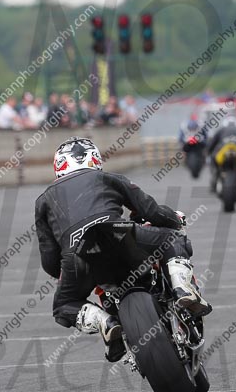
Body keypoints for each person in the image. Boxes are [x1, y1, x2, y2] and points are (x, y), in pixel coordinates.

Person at [35, 137, 211, 361]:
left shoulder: (43, 200)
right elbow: (151, 211)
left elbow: (49, 261)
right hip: (119, 234)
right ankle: (183, 289)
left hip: (77, 254)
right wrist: (174, 221)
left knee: (63, 305)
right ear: (95, 159)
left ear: (59, 166)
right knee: (172, 238)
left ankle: (104, 321)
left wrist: (66, 270)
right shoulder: (109, 178)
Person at [206, 116, 236, 191]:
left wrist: (208, 152)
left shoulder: (221, 130)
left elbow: (212, 144)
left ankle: (214, 178)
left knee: (213, 161)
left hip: (224, 152)